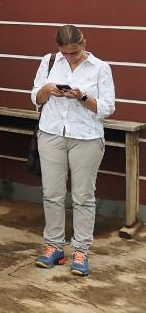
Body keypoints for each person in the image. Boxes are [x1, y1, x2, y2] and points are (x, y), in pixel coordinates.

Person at [31, 24, 115, 276]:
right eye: (66, 53)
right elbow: (35, 96)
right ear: (58, 48)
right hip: (52, 133)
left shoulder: (101, 68)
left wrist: (80, 97)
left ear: (84, 44)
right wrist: (47, 89)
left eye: (75, 53)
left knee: (83, 196)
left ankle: (81, 250)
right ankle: (54, 246)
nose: (70, 57)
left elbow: (108, 107)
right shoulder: (49, 61)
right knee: (52, 194)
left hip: (86, 137)